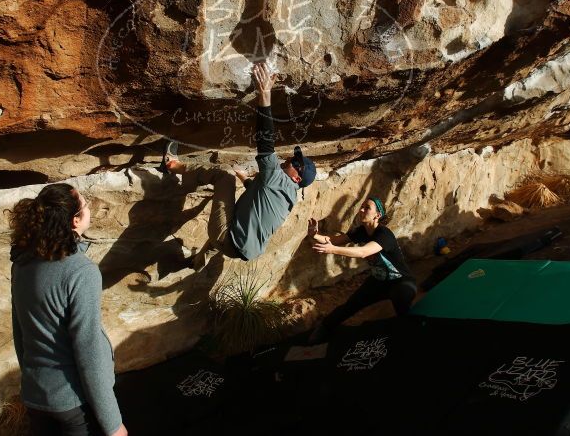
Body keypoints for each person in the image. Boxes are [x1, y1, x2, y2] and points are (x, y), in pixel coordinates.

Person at [160, 62, 316, 263]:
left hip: (228, 239)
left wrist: (264, 94)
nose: (289, 160)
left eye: (295, 163)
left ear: (296, 178)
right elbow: (260, 202)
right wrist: (245, 180)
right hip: (243, 247)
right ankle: (196, 262)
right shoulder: (289, 196)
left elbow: (265, 141)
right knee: (231, 222)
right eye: (294, 158)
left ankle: (172, 166)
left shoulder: (276, 177)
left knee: (223, 177)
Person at [8, 183, 127, 436]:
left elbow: (20, 333)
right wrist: (113, 425)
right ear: (75, 221)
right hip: (72, 404)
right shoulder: (81, 272)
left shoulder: (21, 263)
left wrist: (32, 381)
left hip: (35, 395)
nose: (89, 209)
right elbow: (89, 349)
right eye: (85, 205)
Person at [306, 196, 417, 344]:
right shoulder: (361, 231)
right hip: (378, 281)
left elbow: (363, 252)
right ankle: (325, 327)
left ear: (378, 215)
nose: (361, 210)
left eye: (367, 208)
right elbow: (334, 240)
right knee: (350, 306)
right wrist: (315, 235)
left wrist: (333, 250)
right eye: (362, 206)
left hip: (400, 281)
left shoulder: (384, 234)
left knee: (402, 300)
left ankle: (408, 332)